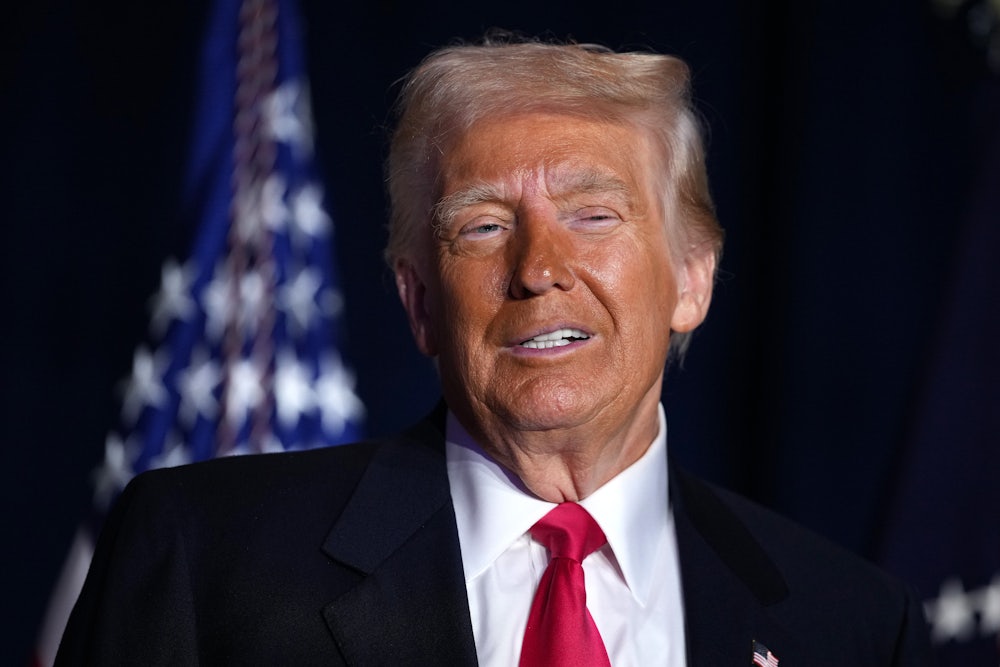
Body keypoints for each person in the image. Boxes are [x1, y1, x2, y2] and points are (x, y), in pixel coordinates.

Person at [56, 37, 933, 666]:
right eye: (483, 226)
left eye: (594, 214)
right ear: (419, 302)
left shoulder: (849, 622)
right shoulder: (201, 559)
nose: (539, 269)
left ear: (692, 280)